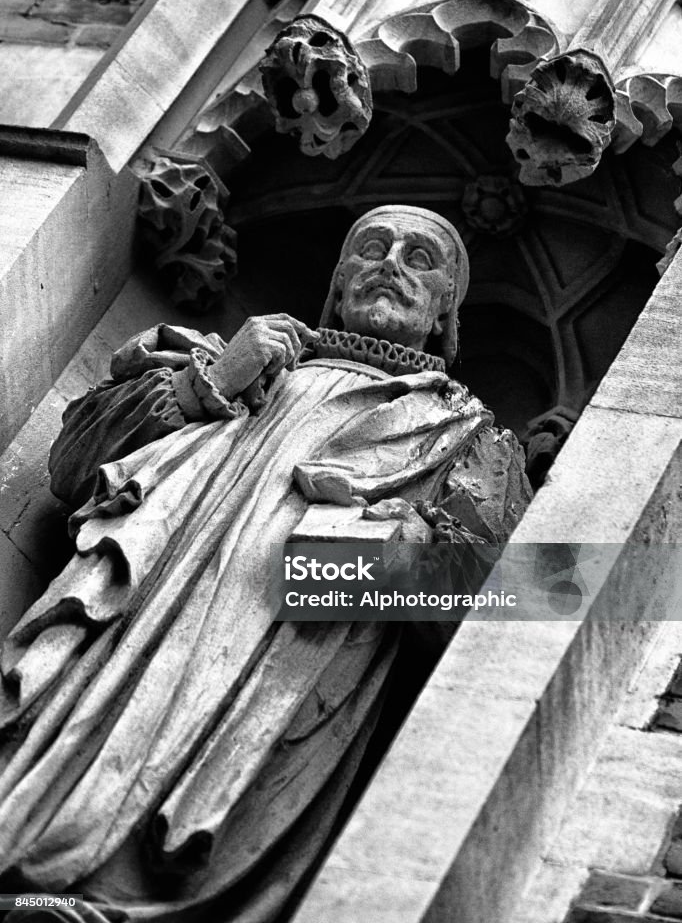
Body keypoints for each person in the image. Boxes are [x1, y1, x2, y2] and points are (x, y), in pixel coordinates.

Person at [0, 206, 531, 922]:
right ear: (338, 282)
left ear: (444, 314)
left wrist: (380, 555)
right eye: (373, 247)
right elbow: (69, 466)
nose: (391, 263)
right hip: (143, 600)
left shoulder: (470, 434)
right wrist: (210, 381)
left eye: (421, 259)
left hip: (286, 654)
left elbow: (519, 614)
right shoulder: (245, 361)